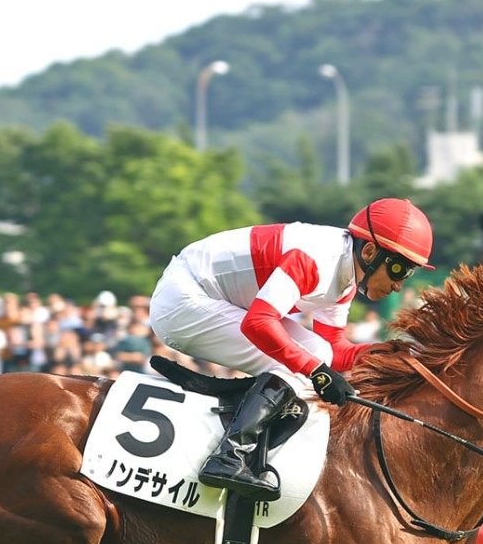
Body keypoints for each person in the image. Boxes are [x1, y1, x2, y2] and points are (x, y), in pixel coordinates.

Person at [147, 198, 434, 501]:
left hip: (210, 298)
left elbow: (334, 350)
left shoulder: (347, 276)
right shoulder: (317, 259)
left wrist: (390, 352)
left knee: (315, 353)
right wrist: (316, 371)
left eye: (409, 274)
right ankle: (229, 457)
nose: (400, 285)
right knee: (303, 362)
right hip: (182, 300)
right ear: (370, 252)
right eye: (399, 269)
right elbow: (258, 324)